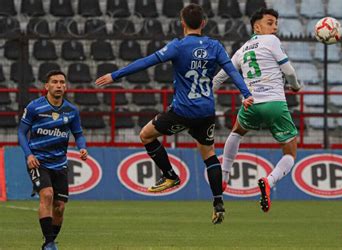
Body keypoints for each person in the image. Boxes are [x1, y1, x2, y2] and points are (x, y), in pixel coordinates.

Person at [95, 3, 253, 224]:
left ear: (182, 23)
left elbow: (145, 62)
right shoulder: (215, 46)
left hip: (182, 111)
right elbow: (232, 72)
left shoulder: (177, 46)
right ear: (204, 23)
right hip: (206, 111)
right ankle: (218, 202)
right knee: (208, 154)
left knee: (146, 135)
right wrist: (246, 93)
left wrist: (115, 75)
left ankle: (170, 176)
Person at [212, 8, 301, 213]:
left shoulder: (242, 49)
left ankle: (224, 177)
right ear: (257, 26)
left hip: (250, 104)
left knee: (236, 132)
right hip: (274, 104)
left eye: (276, 24)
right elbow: (288, 70)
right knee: (290, 152)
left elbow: (220, 77)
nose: (275, 27)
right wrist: (295, 86)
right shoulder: (271, 41)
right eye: (270, 23)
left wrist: (208, 94)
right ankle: (269, 181)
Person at [18, 70, 88, 250]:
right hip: (38, 161)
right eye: (55, 82)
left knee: (59, 207)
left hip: (59, 163)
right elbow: (21, 133)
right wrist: (29, 155)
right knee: (47, 194)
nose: (59, 85)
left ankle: (49, 242)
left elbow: (78, 134)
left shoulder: (71, 111)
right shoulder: (35, 107)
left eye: (62, 82)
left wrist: (82, 147)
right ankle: (50, 244)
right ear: (46, 86)